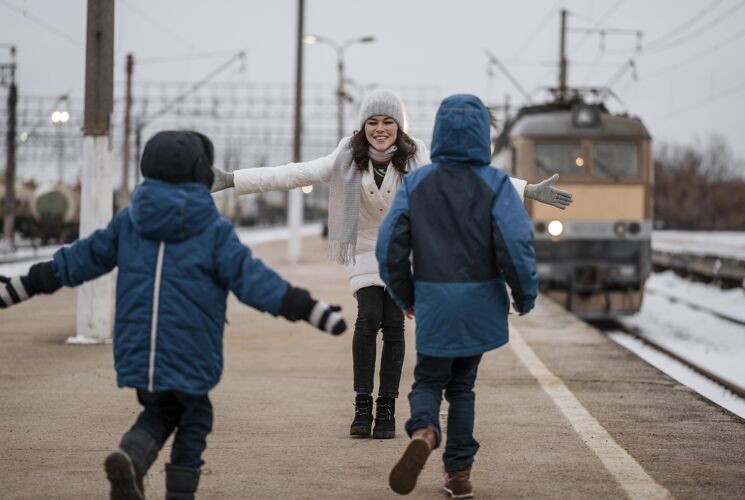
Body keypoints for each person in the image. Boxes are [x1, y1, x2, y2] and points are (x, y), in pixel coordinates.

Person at [0, 130, 347, 500]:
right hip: (191, 349)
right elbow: (255, 282)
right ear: (201, 172)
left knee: (161, 410)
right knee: (196, 417)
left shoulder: (128, 222)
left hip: (138, 351)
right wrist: (311, 310)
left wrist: (20, 286)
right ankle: (177, 493)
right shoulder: (213, 230)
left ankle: (132, 455)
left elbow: (76, 262)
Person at [210, 89, 568, 440]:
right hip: (365, 248)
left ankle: (386, 408)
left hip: (402, 249)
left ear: (399, 126)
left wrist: (528, 190)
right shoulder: (344, 158)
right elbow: (293, 174)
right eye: (372, 121)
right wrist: (231, 180)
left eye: (388, 121)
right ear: (363, 126)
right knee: (368, 318)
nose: (379, 129)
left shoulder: (419, 159)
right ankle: (362, 404)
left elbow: (472, 177)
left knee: (394, 325)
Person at [376, 94, 539, 498]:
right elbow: (516, 244)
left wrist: (405, 294)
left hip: (433, 300)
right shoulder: (496, 183)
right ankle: (459, 473)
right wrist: (525, 295)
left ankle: (426, 430)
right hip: (481, 303)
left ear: (440, 132)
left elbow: (388, 246)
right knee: (463, 387)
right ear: (484, 134)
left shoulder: (418, 182)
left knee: (429, 380)